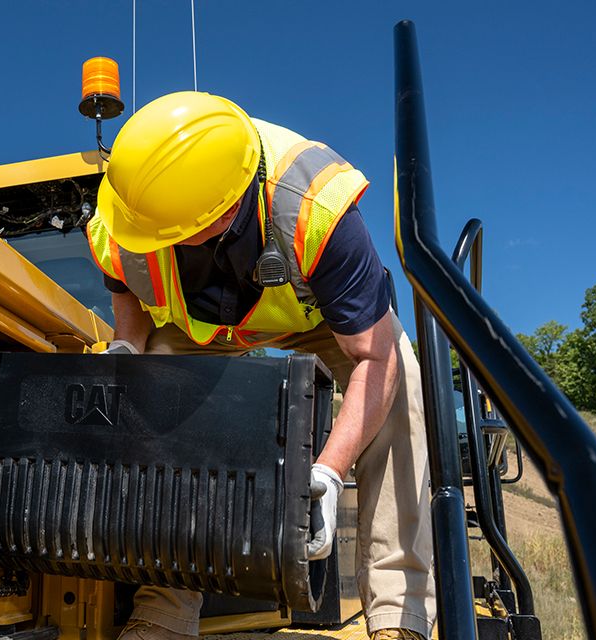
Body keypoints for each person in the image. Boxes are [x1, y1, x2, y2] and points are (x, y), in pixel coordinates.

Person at [84, 92, 436, 640]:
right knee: (157, 378)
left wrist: (326, 473)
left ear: (226, 209)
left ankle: (398, 613)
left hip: (312, 315)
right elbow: (121, 282)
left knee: (403, 385)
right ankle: (164, 614)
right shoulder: (126, 209)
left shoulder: (316, 204)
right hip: (203, 330)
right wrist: (127, 349)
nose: (156, 241)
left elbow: (373, 354)